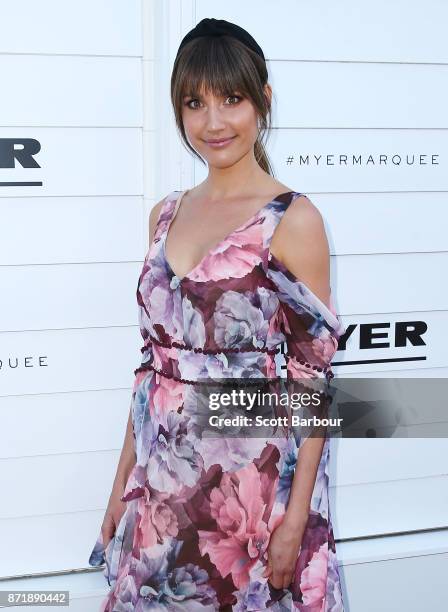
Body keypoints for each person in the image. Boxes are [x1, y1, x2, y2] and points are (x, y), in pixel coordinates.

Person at [89, 17, 346, 611]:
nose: (213, 121)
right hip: (158, 493)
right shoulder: (164, 214)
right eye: (194, 102)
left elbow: (316, 381)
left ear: (263, 101)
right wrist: (118, 492)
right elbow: (153, 370)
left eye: (231, 98)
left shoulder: (293, 221)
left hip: (250, 499)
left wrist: (296, 520)